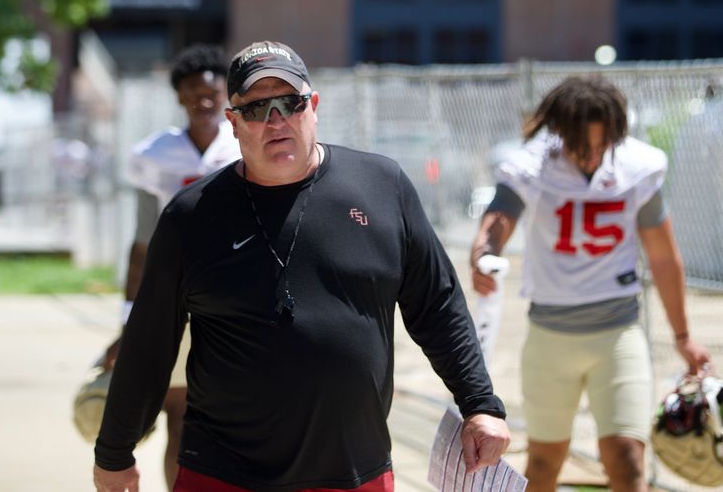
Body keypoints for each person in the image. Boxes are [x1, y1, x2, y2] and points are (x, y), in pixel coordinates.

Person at [93, 40, 510, 492]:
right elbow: (148, 344)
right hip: (223, 473)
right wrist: (115, 453)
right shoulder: (191, 217)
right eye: (256, 109)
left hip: (355, 468)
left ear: (312, 106)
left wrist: (480, 403)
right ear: (233, 123)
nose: (276, 121)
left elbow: (437, 305)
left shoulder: (381, 186)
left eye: (288, 103)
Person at [469, 75, 712, 492]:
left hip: (617, 332)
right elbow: (500, 215)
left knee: (628, 459)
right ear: (560, 132)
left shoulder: (637, 163)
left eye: (601, 146)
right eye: (581, 147)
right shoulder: (534, 162)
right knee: (543, 465)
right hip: (551, 334)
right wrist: (483, 252)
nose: (591, 156)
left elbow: (663, 255)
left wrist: (683, 335)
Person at [101, 43, 241, 490]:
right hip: (176, 295)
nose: (203, 102)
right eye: (193, 93)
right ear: (178, 96)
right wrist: (129, 320)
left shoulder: (245, 144)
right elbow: (142, 245)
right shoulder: (154, 154)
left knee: (240, 416)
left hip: (237, 296)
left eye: (212, 93)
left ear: (227, 96)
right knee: (180, 413)